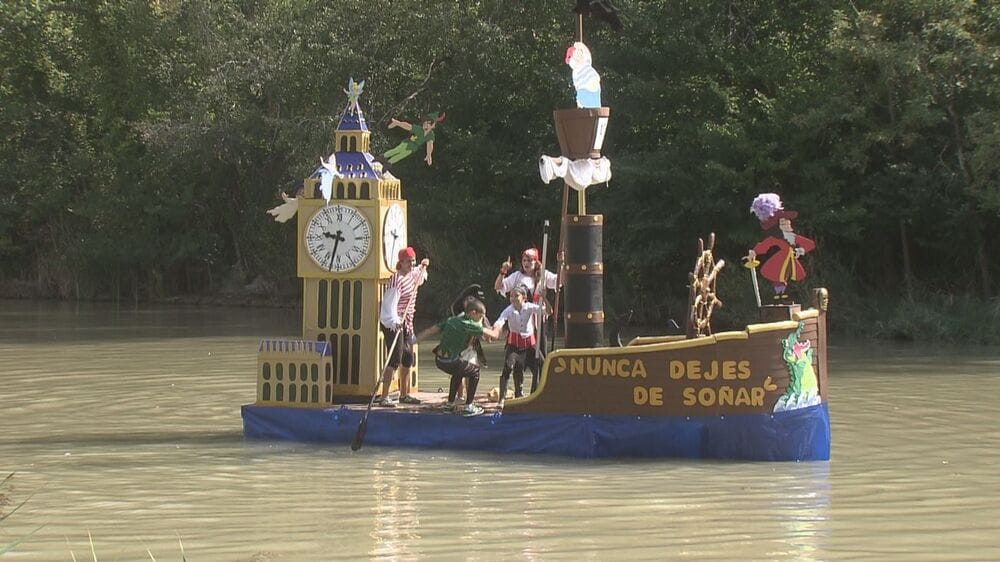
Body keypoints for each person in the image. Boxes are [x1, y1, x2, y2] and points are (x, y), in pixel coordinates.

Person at [416, 298, 502, 417]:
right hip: (451, 362)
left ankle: (450, 404)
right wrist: (499, 324)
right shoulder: (470, 324)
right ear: (473, 313)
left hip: (439, 361)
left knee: (459, 371)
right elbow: (494, 335)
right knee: (475, 372)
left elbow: (430, 330)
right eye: (481, 316)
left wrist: (414, 340)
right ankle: (469, 406)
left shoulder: (452, 319)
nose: (481, 319)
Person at [377, 247, 429, 407]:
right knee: (395, 359)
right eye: (408, 261)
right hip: (393, 321)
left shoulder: (413, 274)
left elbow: (420, 275)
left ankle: (404, 394)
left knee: (408, 357)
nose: (411, 264)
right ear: (401, 262)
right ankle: (384, 396)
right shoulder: (396, 280)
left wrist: (423, 265)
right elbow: (388, 305)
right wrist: (394, 321)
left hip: (407, 321)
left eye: (413, 261)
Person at [745, 195, 816, 301]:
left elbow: (810, 244)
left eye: (787, 223)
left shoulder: (794, 237)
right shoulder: (778, 239)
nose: (786, 224)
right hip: (781, 258)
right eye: (783, 223)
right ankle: (780, 294)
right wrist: (754, 252)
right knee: (777, 275)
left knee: (787, 274)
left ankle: (784, 294)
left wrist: (800, 250)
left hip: (790, 259)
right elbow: (766, 244)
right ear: (779, 226)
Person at [492, 285, 550, 409]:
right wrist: (496, 329)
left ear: (524, 297)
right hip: (514, 346)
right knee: (508, 367)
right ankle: (502, 400)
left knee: (543, 365)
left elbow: (548, 311)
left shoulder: (529, 307)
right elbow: (500, 320)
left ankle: (540, 394)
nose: (512, 299)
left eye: (516, 296)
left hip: (530, 346)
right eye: (511, 296)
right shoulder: (509, 310)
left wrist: (544, 298)